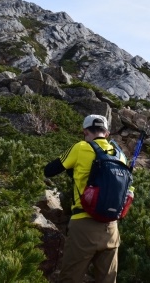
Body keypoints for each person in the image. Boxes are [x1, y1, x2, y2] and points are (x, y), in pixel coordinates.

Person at [44, 114, 125, 283]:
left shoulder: (81, 147)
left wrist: (73, 172)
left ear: (85, 131)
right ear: (107, 133)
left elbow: (49, 170)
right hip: (111, 229)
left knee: (70, 278)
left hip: (83, 224)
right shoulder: (120, 155)